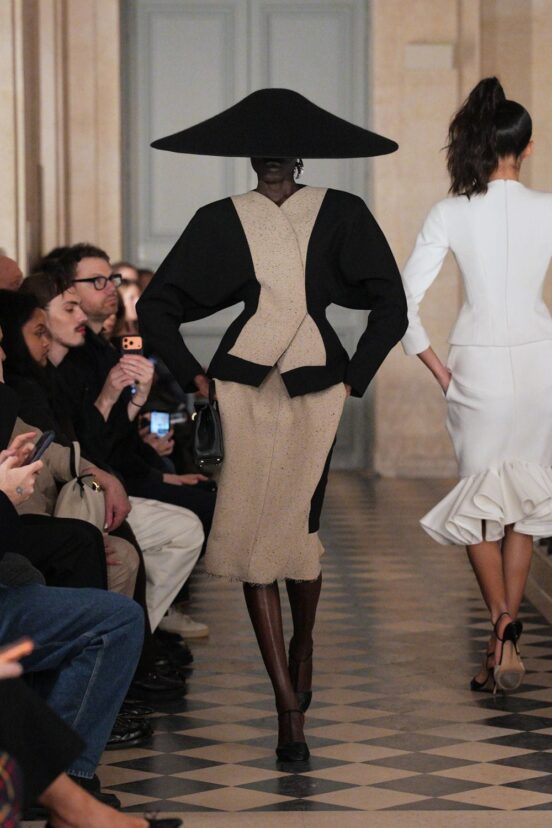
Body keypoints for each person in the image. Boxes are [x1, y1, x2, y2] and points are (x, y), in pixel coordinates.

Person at [138, 88, 408, 760]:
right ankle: (286, 703)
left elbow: (392, 304)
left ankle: (303, 643)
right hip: (244, 388)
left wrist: (355, 376)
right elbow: (156, 307)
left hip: (318, 387)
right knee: (255, 526)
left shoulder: (342, 213)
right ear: (250, 157)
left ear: (300, 157)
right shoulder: (223, 219)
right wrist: (196, 376)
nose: (273, 160)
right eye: (262, 151)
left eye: (283, 152)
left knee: (298, 527)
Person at [400, 77, 552, 693]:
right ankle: (502, 643)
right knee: (522, 508)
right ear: (529, 146)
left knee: (479, 506)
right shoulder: (550, 208)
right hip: (540, 364)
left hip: (478, 367)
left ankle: (501, 625)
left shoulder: (451, 211)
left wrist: (437, 367)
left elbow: (402, 302)